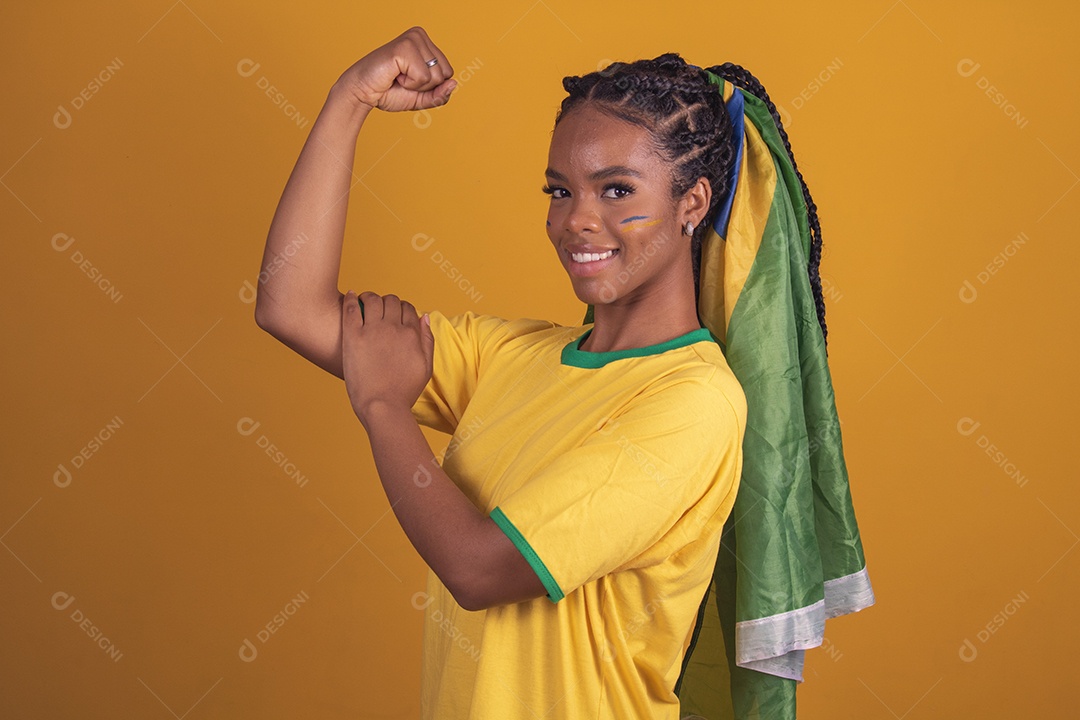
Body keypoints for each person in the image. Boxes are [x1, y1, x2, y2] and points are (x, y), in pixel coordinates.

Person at [254, 26, 812, 719]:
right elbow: (291, 305)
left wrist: (384, 408)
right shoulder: (512, 357)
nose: (577, 221)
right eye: (558, 191)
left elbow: (481, 569)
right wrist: (351, 99)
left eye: (615, 190)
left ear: (691, 204)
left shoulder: (694, 401)